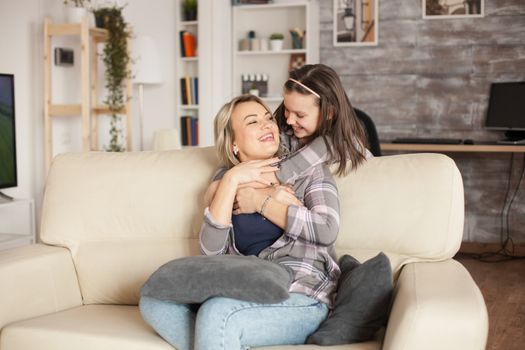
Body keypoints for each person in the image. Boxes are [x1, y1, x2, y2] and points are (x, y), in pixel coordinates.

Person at [139, 94, 341, 350]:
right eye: (252, 122)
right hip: (246, 290)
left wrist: (265, 202)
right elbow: (212, 252)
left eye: (268, 118)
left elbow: (327, 229)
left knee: (217, 312)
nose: (267, 125)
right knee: (155, 300)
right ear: (234, 142)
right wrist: (232, 180)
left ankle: (220, 336)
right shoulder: (225, 180)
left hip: (300, 293)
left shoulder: (308, 172)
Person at [204, 63, 371, 205]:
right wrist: (227, 180)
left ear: (329, 113)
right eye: (287, 109)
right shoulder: (283, 136)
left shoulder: (341, 145)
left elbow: (283, 171)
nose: (289, 120)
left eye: (300, 115)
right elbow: (229, 168)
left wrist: (235, 186)